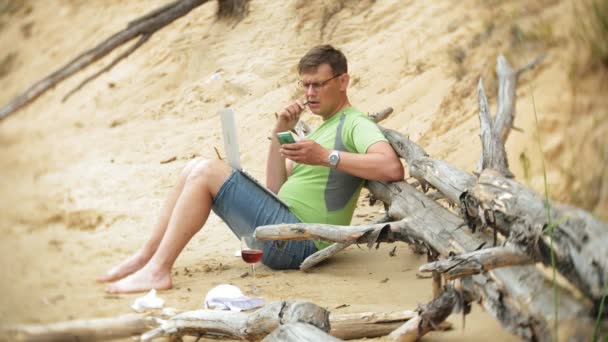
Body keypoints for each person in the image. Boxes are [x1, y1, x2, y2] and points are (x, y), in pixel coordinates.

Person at [98, 45, 404, 293]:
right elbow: (274, 188)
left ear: (343, 81)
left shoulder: (354, 123)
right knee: (194, 166)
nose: (310, 92)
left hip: (303, 244)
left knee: (206, 170)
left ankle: (157, 270)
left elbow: (391, 167)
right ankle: (146, 257)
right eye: (305, 84)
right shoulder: (320, 131)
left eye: (318, 84)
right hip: (282, 230)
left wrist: (326, 157)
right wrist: (281, 129)